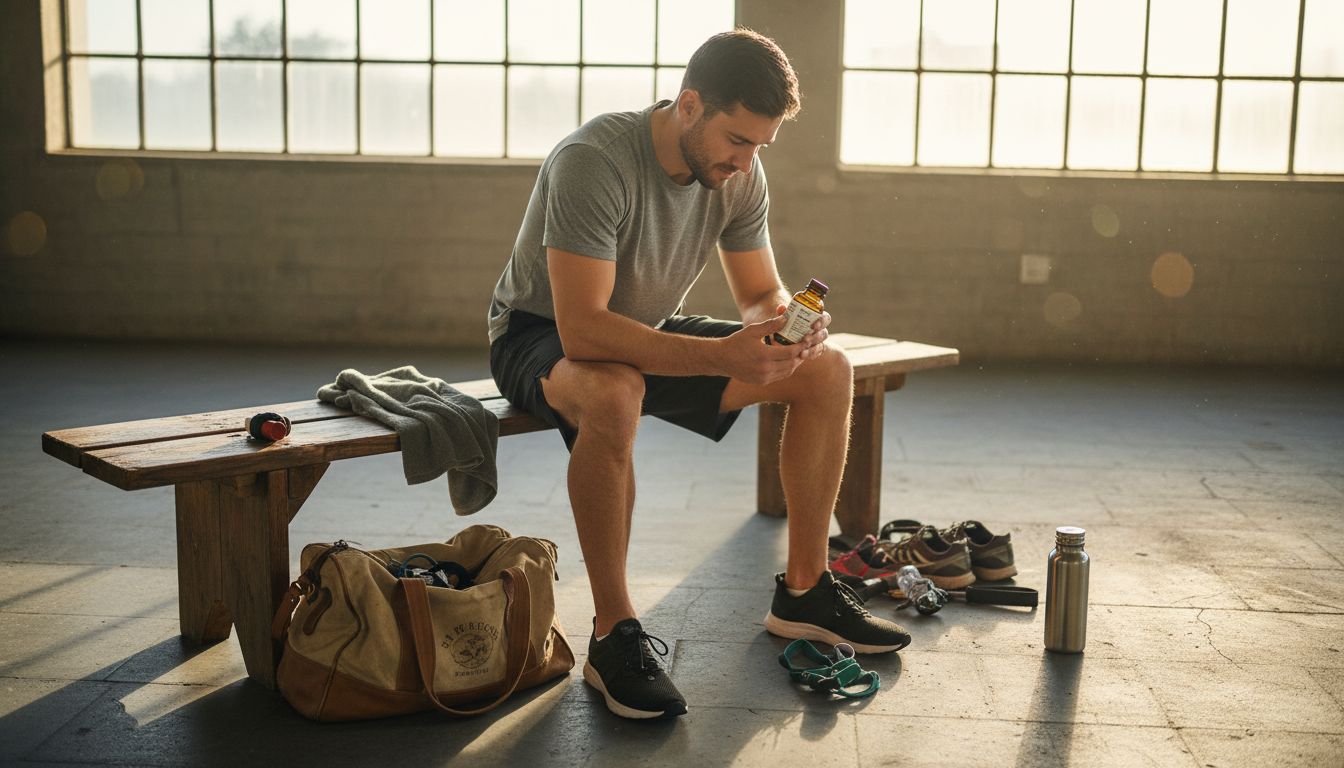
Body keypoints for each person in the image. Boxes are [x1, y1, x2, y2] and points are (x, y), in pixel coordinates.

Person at [487, 28, 909, 720]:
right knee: (616, 392)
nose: (745, 162)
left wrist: (784, 323)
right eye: (738, 141)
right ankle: (613, 635)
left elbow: (757, 293)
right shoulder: (594, 160)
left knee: (828, 371)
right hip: (538, 332)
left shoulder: (737, 175)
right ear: (689, 106)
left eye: (760, 147)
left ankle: (805, 592)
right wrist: (721, 355)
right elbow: (585, 329)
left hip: (647, 329)